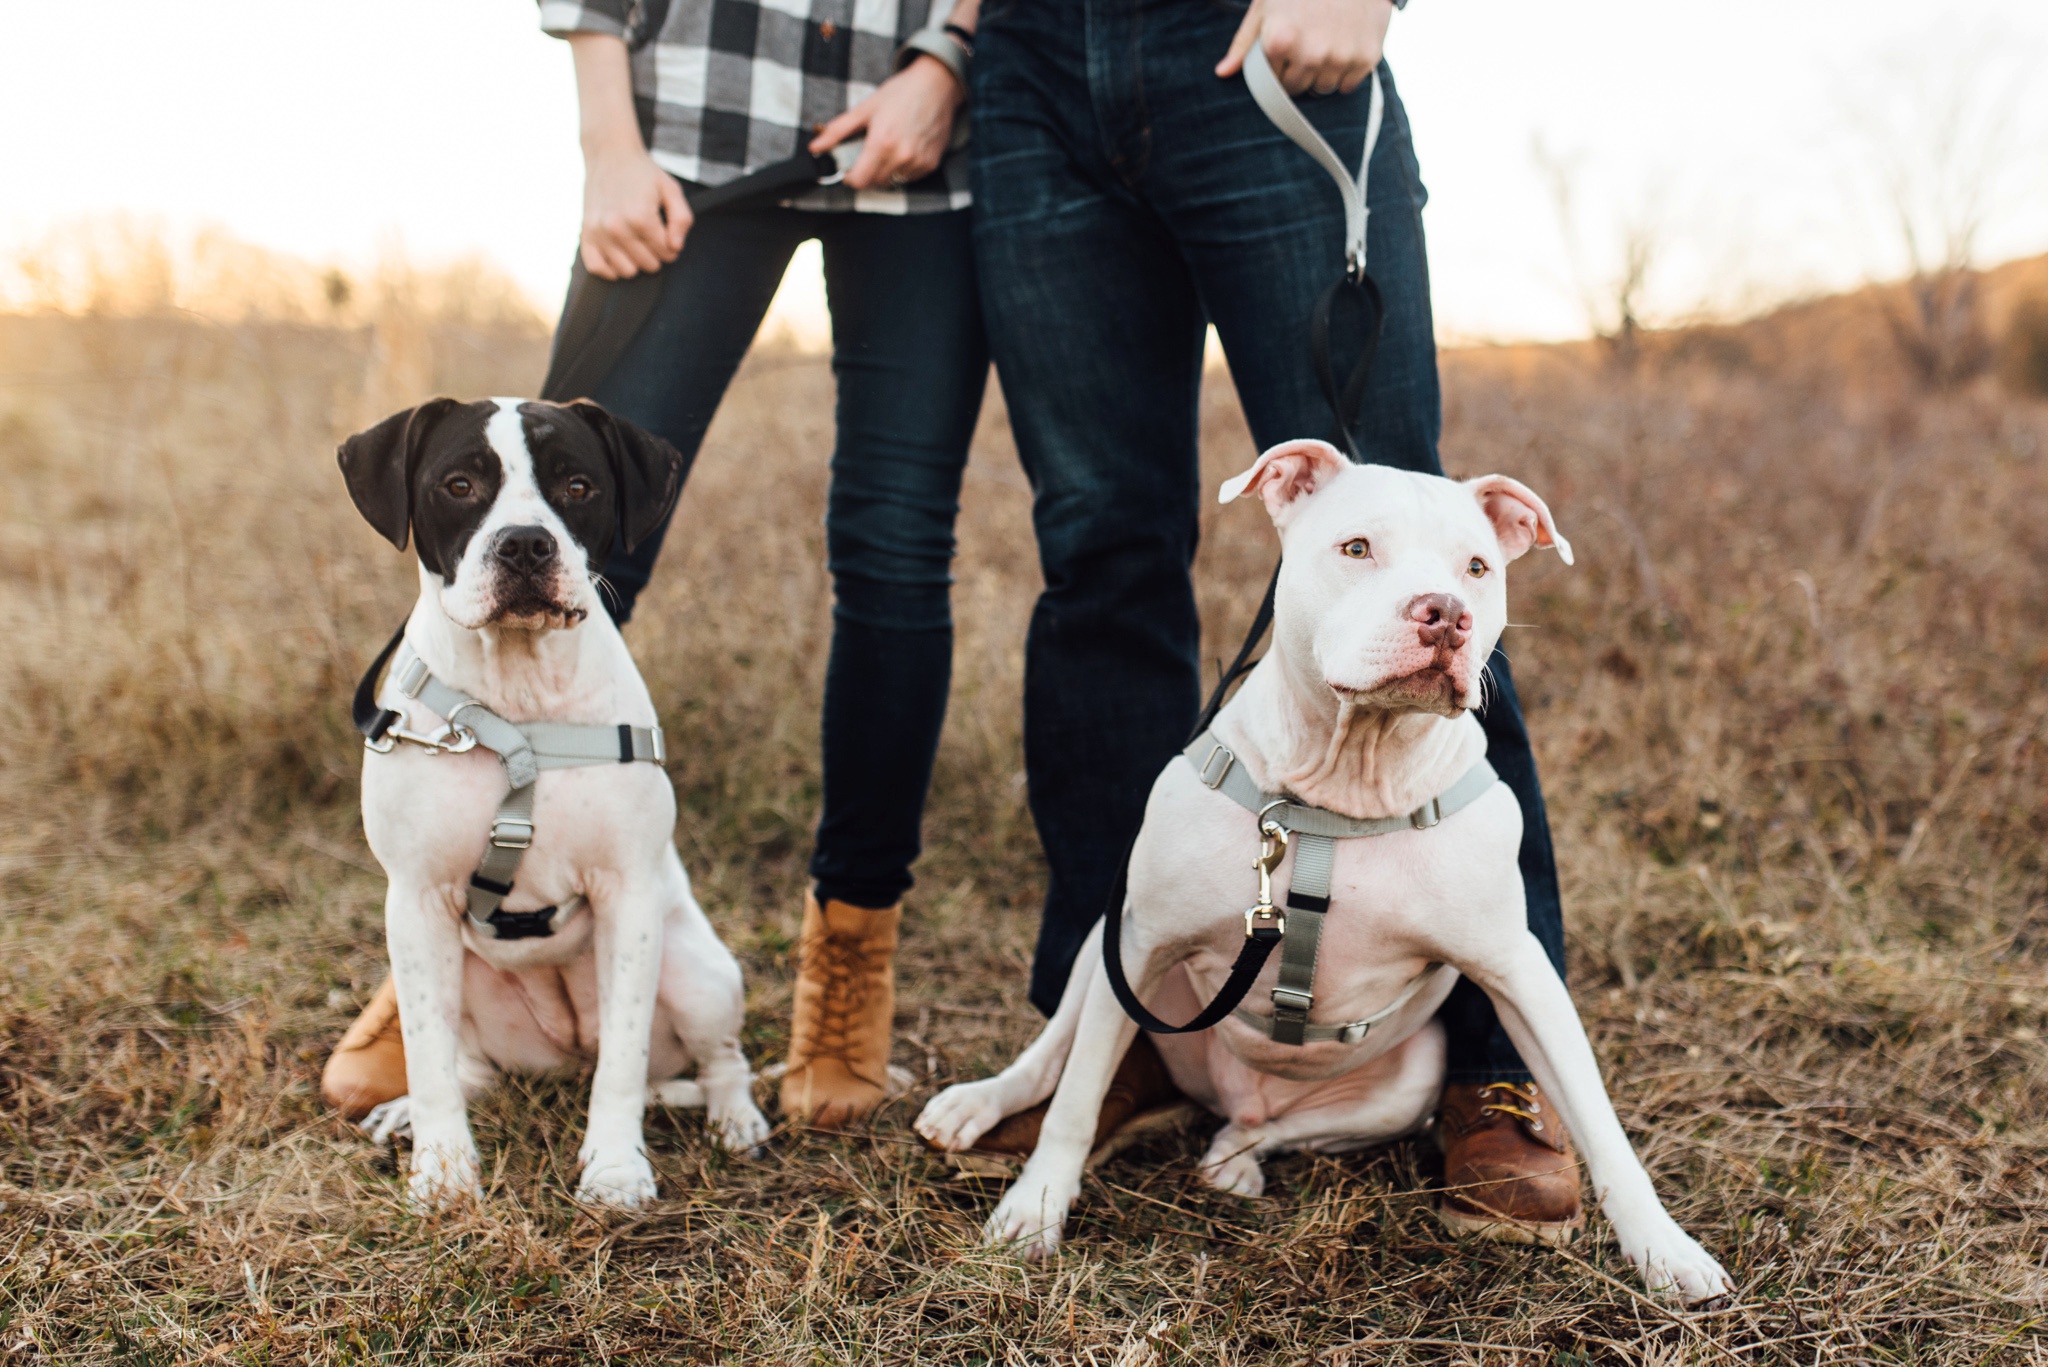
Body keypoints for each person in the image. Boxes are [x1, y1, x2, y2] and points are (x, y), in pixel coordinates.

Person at [953, 0, 1587, 1237]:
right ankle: (1121, 1026)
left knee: (1402, 532)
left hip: (1252, 42)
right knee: (1098, 547)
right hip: (1029, 71)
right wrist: (948, 46)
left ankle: (1483, 1057)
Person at [323, 0, 987, 1132]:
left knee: (895, 555)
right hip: (693, 122)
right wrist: (607, 144)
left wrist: (948, 55)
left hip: (924, 144)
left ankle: (849, 950)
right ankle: (466, 928)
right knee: (551, 512)